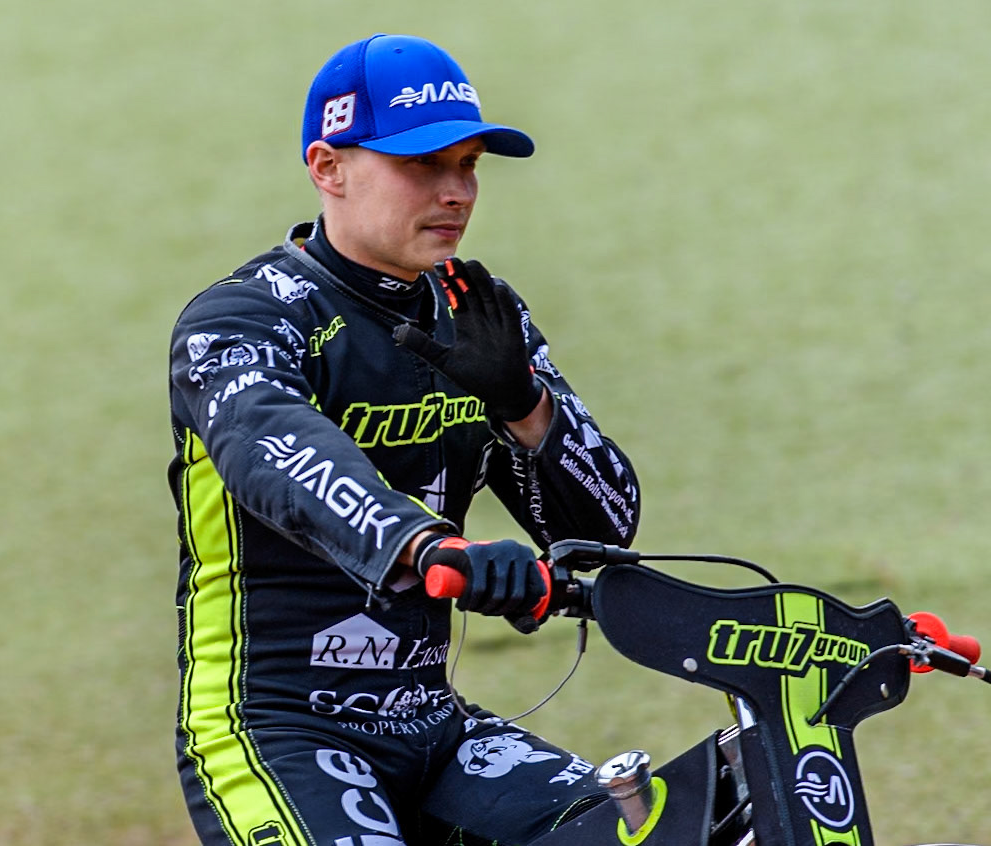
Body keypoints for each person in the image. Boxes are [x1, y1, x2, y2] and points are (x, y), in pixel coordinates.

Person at [167, 33, 640, 846]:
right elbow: (277, 447)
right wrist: (425, 546)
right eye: (422, 164)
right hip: (276, 727)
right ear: (328, 167)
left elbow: (606, 527)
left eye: (468, 165)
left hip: (433, 725)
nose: (457, 192)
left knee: (643, 827)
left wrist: (524, 406)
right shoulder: (241, 319)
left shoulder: (481, 315)